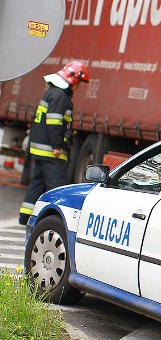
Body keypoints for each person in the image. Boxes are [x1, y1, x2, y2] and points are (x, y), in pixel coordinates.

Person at [19, 61, 90, 225]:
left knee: (37, 184)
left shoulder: (51, 93)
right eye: (78, 83)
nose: (78, 87)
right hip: (51, 151)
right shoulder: (60, 97)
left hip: (39, 147)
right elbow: (55, 124)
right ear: (72, 80)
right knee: (57, 187)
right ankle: (57, 219)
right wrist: (57, 146)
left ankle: (25, 216)